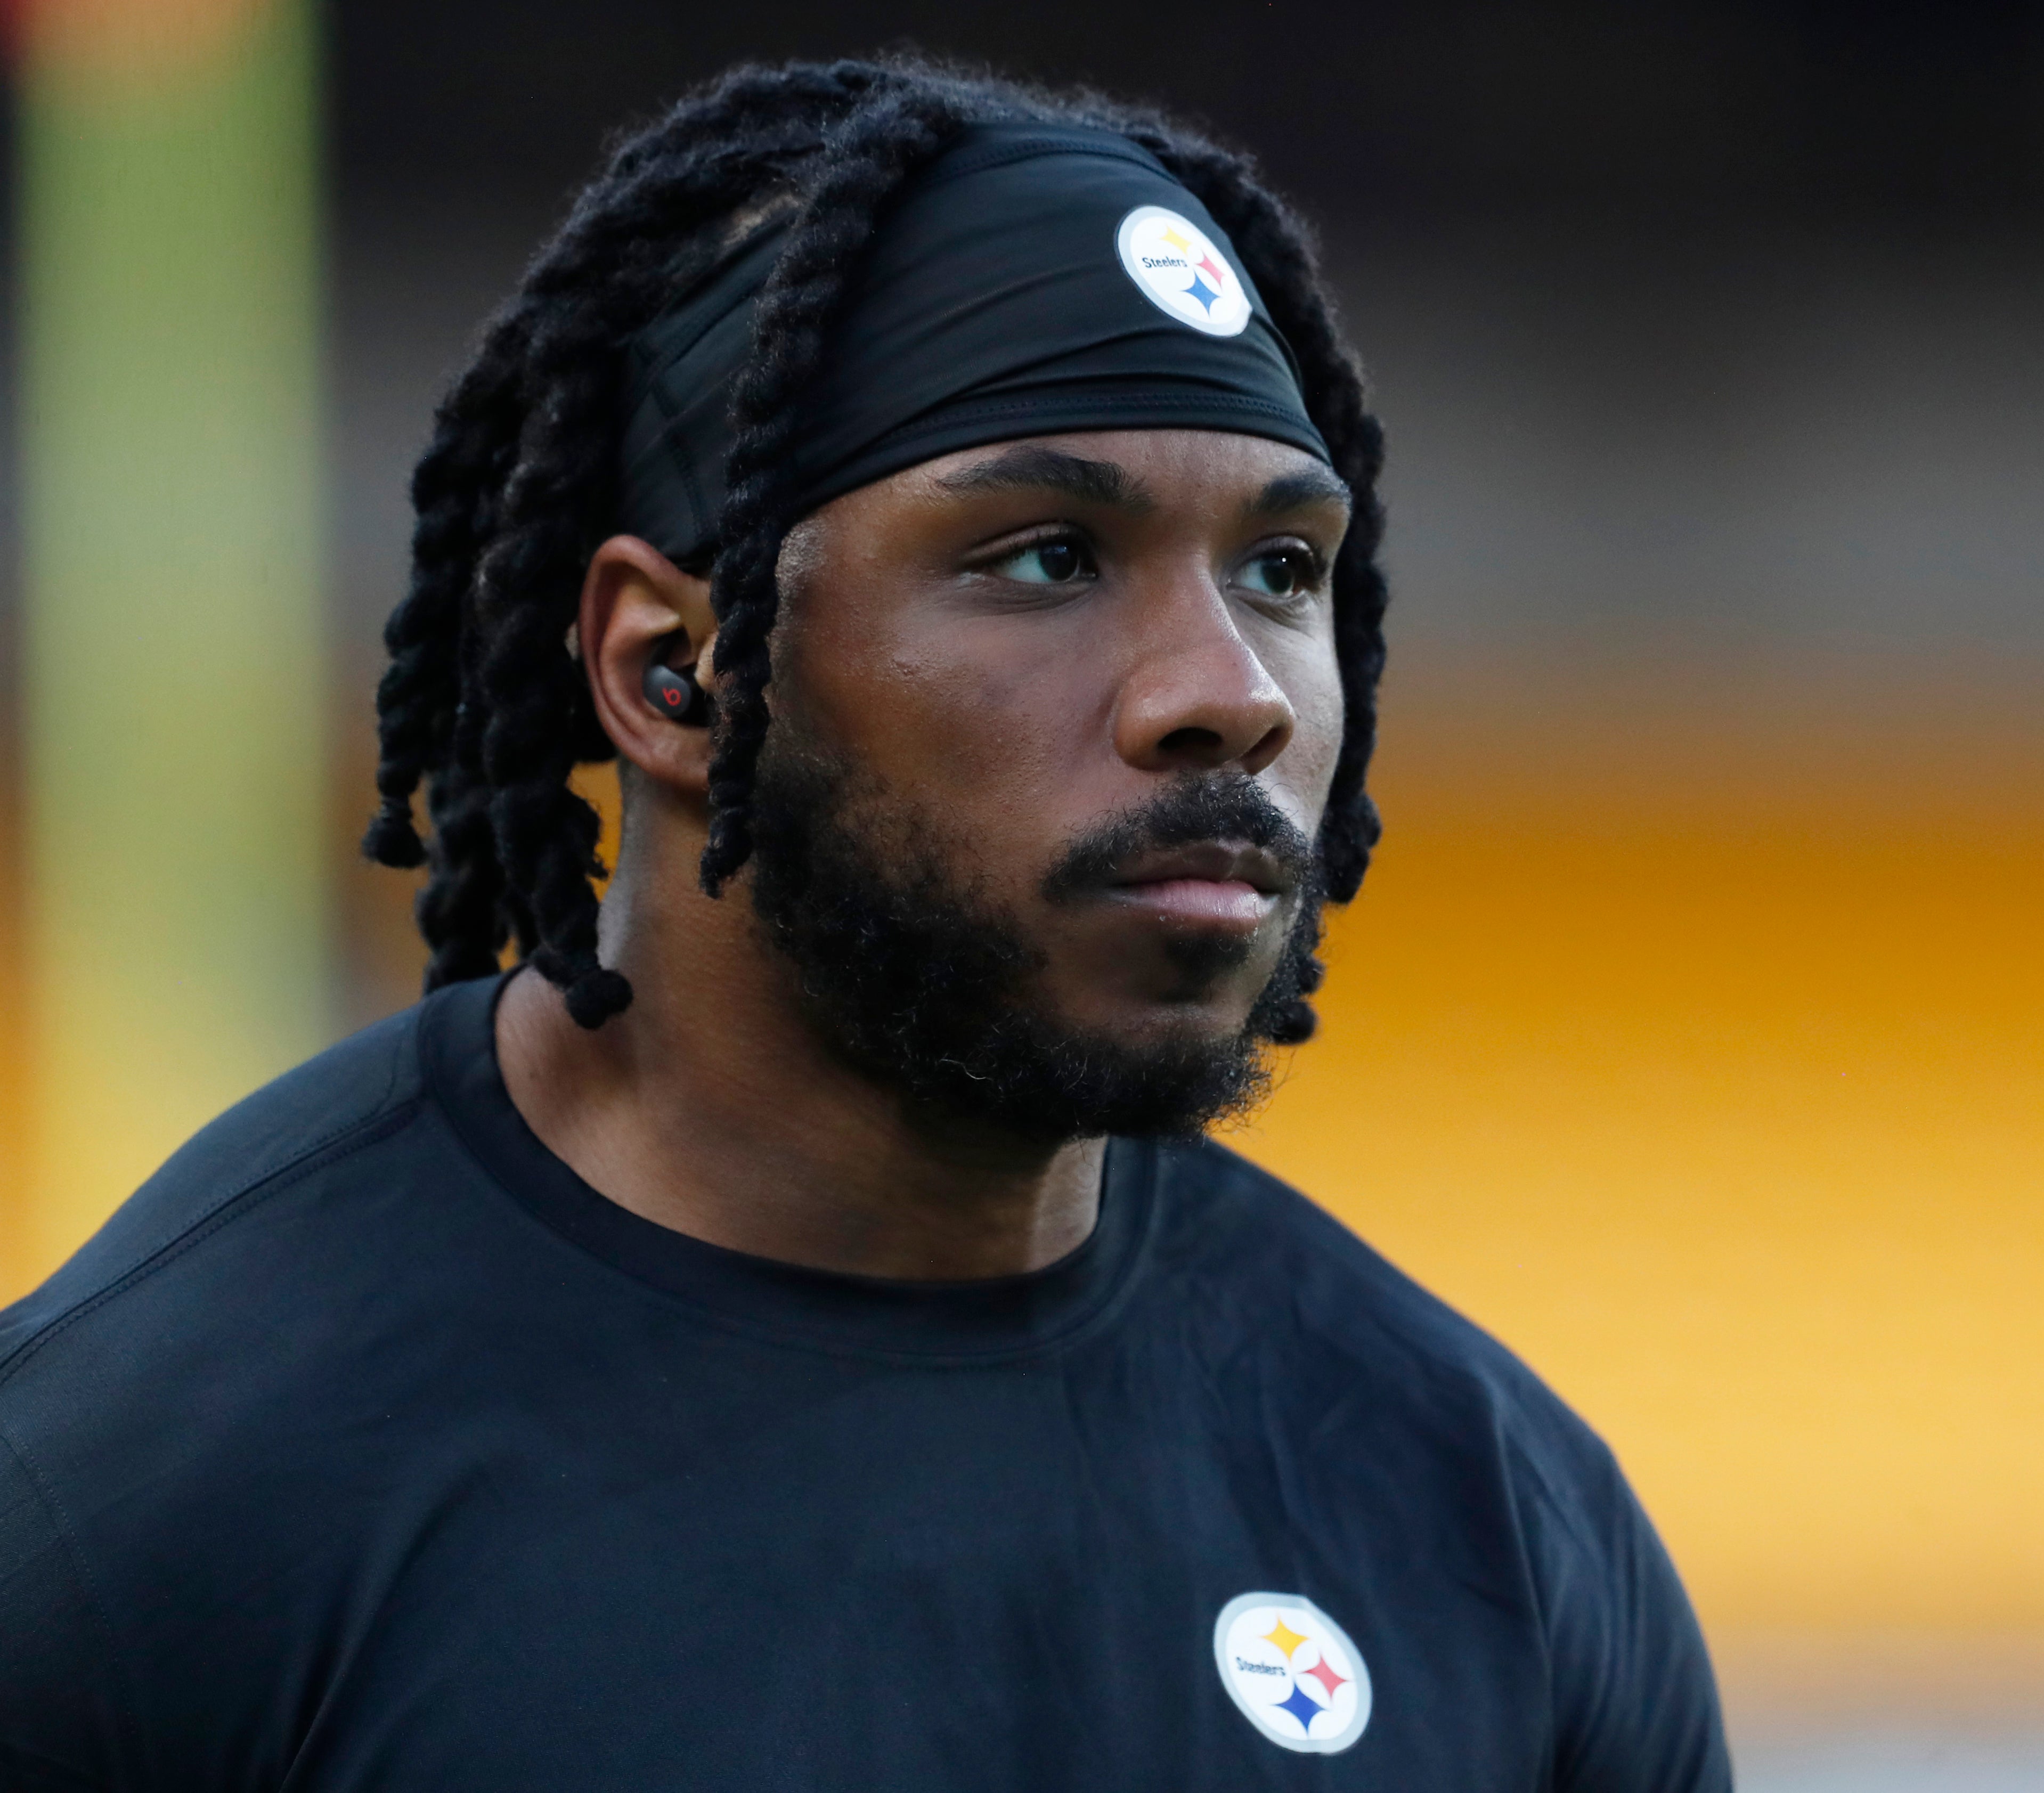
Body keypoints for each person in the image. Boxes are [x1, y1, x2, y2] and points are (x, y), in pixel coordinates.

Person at [0, 59, 1730, 1790]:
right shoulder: (138, 1507)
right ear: (673, 672)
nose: (1230, 695)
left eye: (1282, 572)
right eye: (1045, 558)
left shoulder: (1486, 1512)